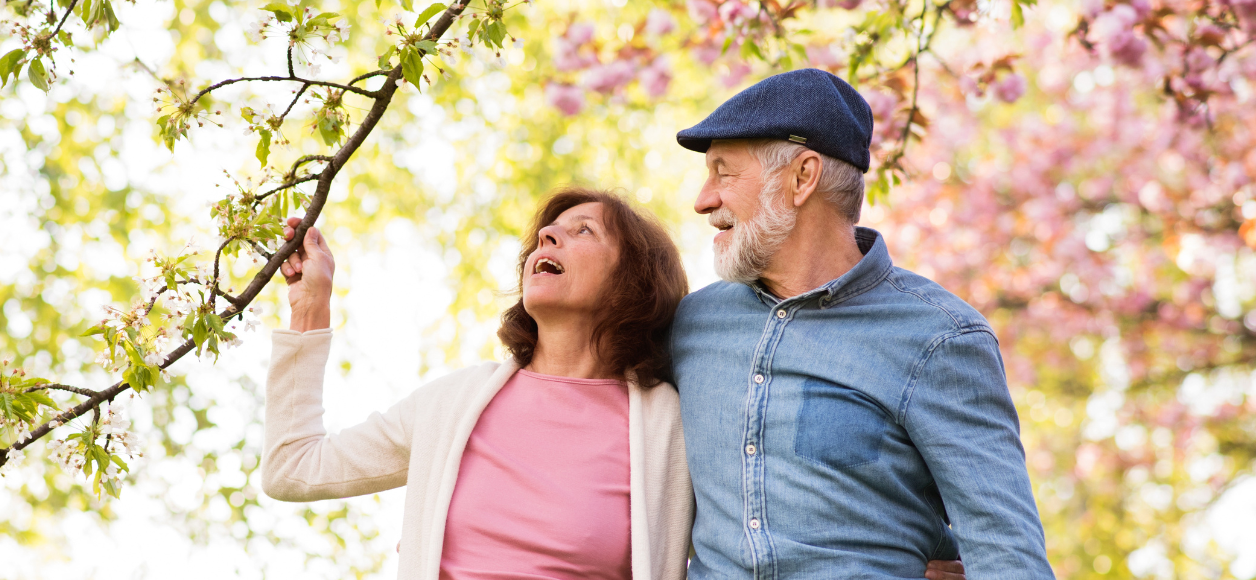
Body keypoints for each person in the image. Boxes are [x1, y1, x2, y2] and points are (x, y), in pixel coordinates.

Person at [259, 188, 969, 580]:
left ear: (634, 280)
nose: (547, 241)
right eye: (544, 235)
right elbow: (294, 471)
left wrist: (932, 551)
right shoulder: (455, 404)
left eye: (579, 232)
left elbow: (790, 505)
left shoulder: (672, 423)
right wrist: (310, 305)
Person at [668, 68, 1055, 578]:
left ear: (802, 177)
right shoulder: (690, 324)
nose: (703, 200)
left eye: (723, 172)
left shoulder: (940, 338)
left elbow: (1006, 550)